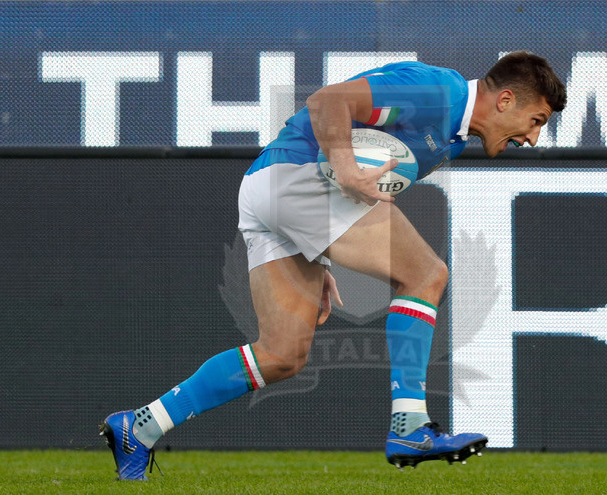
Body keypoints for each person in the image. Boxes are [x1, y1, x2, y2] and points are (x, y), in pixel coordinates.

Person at [100, 51, 566, 480]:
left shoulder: (455, 138)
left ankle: (138, 428)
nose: (532, 136)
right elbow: (330, 102)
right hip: (298, 178)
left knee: (281, 355)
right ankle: (410, 424)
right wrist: (343, 169)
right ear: (506, 99)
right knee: (426, 274)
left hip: (271, 190)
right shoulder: (437, 93)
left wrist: (317, 250)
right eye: (536, 120)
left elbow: (361, 188)